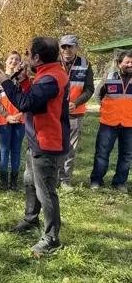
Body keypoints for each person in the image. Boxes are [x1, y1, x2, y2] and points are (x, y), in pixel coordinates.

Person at [0, 36, 69, 255]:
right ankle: (31, 219)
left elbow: (25, 103)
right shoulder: (46, 74)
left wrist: (6, 82)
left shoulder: (51, 78)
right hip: (37, 138)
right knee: (30, 182)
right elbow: (36, 100)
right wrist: (24, 82)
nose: (25, 57)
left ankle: (52, 238)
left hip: (48, 142)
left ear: (37, 57)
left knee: (45, 191)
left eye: (28, 53)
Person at [89, 50, 132, 192]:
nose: (130, 65)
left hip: (129, 124)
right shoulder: (109, 77)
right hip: (108, 123)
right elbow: (98, 95)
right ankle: (96, 180)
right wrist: (106, 109)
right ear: (120, 64)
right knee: (102, 153)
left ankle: (119, 182)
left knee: (126, 155)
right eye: (127, 62)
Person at [57, 35, 94, 191]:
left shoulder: (85, 64)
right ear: (60, 48)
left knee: (70, 147)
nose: (67, 49)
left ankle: (65, 179)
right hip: (55, 113)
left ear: (76, 48)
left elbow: (89, 89)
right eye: (64, 46)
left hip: (75, 113)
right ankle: (52, 177)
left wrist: (76, 103)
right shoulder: (53, 63)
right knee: (53, 146)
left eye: (70, 46)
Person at [0, 51, 26, 190]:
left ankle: (14, 181)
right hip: (3, 120)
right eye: (11, 59)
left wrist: (20, 113)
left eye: (17, 59)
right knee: (4, 150)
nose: (13, 61)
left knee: (16, 150)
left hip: (20, 119)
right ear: (5, 61)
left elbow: (30, 98)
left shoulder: (24, 79)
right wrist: (7, 115)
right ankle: (4, 180)